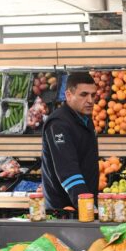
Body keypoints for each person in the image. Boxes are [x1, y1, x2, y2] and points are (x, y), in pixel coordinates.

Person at [41, 72, 99, 209]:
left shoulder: (85, 118)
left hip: (82, 200)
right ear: (68, 95)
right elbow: (67, 170)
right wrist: (87, 206)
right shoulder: (58, 124)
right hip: (64, 209)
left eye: (93, 95)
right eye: (84, 95)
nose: (90, 100)